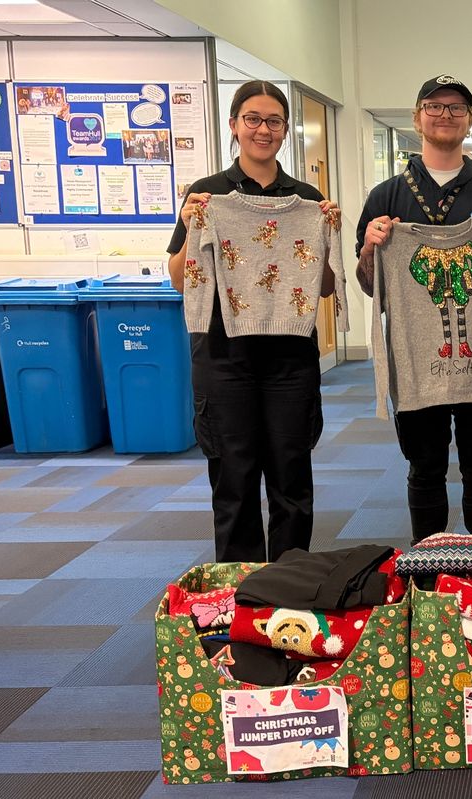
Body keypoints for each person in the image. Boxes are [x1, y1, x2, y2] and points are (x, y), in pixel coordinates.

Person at [166, 80, 339, 563]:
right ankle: (240, 593)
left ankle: (289, 584)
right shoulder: (207, 195)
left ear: (286, 130)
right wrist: (190, 223)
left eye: (274, 121)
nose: (263, 129)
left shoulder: (307, 198)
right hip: (224, 356)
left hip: (289, 357)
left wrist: (325, 234)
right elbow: (181, 279)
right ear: (234, 126)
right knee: (233, 479)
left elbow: (324, 286)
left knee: (291, 477)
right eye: (253, 119)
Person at [355, 74, 472, 541]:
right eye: (434, 106)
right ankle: (427, 571)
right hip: (414, 362)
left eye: (455, 108)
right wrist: (370, 250)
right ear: (417, 117)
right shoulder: (385, 197)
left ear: (470, 121)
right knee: (425, 467)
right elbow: (371, 288)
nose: (444, 114)